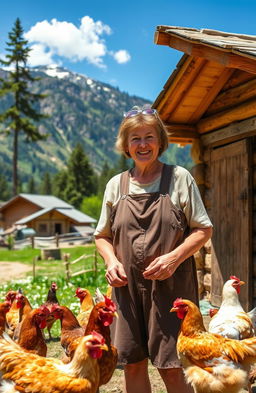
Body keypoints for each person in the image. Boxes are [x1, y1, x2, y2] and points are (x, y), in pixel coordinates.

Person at [94, 105, 212, 393]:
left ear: (160, 141)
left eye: (149, 137)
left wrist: (174, 258)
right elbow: (102, 236)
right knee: (131, 362)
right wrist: (111, 261)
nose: (143, 144)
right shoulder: (116, 185)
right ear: (125, 145)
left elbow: (203, 229)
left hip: (171, 288)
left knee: (171, 365)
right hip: (126, 289)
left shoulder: (180, 178)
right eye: (135, 138)